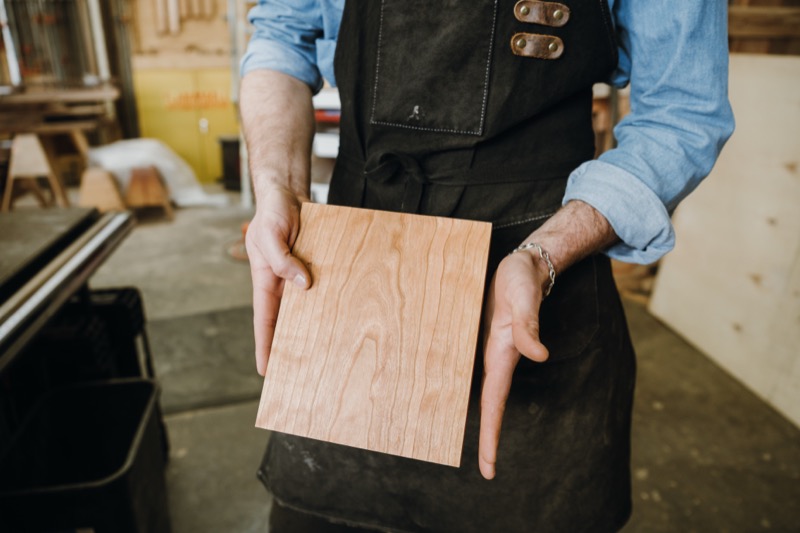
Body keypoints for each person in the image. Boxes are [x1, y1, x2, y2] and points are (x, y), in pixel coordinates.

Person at [239, 1, 734, 531]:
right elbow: (282, 37)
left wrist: (545, 255)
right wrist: (277, 188)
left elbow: (682, 113)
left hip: (531, 277)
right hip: (351, 279)